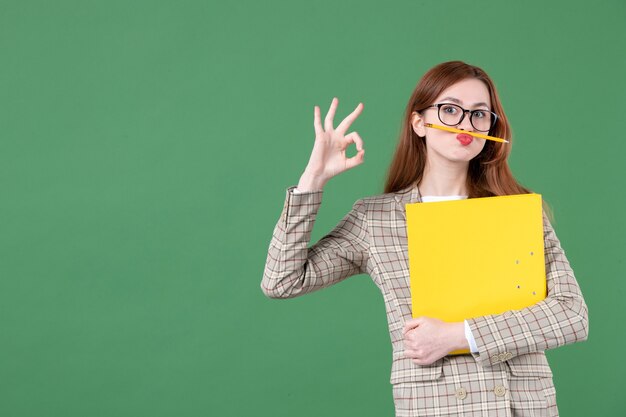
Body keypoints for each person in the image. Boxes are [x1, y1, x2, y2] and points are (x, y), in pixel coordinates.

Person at [260, 60, 589, 417]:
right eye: (450, 110)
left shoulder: (519, 212)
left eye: (480, 114)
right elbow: (282, 281)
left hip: (521, 405)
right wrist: (313, 180)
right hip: (437, 407)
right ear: (419, 123)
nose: (466, 124)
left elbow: (572, 314)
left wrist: (459, 336)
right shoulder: (376, 219)